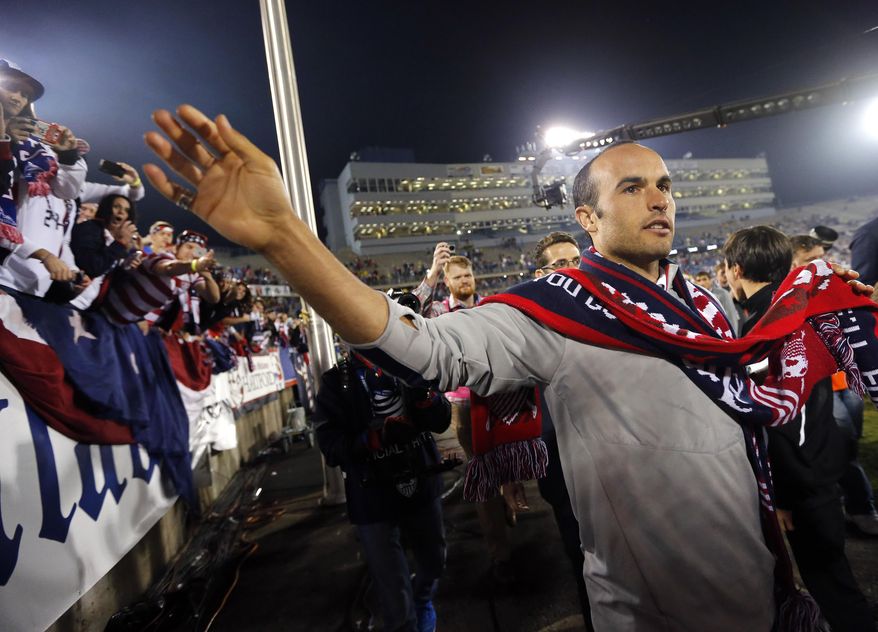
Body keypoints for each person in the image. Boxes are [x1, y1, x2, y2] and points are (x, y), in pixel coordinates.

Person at [144, 107, 877, 632]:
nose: (659, 195)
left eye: (663, 184)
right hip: (656, 606)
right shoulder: (553, 309)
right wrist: (284, 239)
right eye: (631, 187)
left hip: (759, 581)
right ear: (588, 221)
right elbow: (426, 349)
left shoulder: (708, 305)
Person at [725, 225, 875, 631]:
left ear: (736, 270)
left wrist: (787, 494)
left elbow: (781, 418)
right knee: (835, 579)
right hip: (825, 464)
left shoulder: (765, 325)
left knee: (833, 588)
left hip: (805, 479)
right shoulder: (802, 305)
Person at [315, 350, 451, 632]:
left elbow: (442, 419)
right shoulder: (335, 382)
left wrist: (428, 398)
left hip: (422, 483)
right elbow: (329, 445)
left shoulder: (411, 365)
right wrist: (372, 439)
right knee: (392, 586)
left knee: (434, 561)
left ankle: (423, 598)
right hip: (372, 498)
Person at [412, 246, 519, 584]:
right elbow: (410, 312)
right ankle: (500, 553)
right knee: (483, 472)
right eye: (457, 277)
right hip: (463, 404)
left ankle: (507, 502)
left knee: (505, 464)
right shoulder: (440, 312)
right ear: (447, 282)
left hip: (497, 396)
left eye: (468, 275)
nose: (464, 281)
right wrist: (431, 273)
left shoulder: (490, 307)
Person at [531, 231, 594, 631]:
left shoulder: (608, 313)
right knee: (583, 561)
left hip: (619, 460)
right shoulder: (528, 325)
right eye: (560, 264)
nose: (571, 270)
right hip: (562, 466)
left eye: (576, 261)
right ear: (541, 275)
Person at [0, 59, 82, 294]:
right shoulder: (12, 139)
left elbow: (68, 191)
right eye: (11, 88)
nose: (18, 98)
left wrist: (68, 156)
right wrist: (5, 140)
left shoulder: (35, 145)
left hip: (28, 276)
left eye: (25, 94)